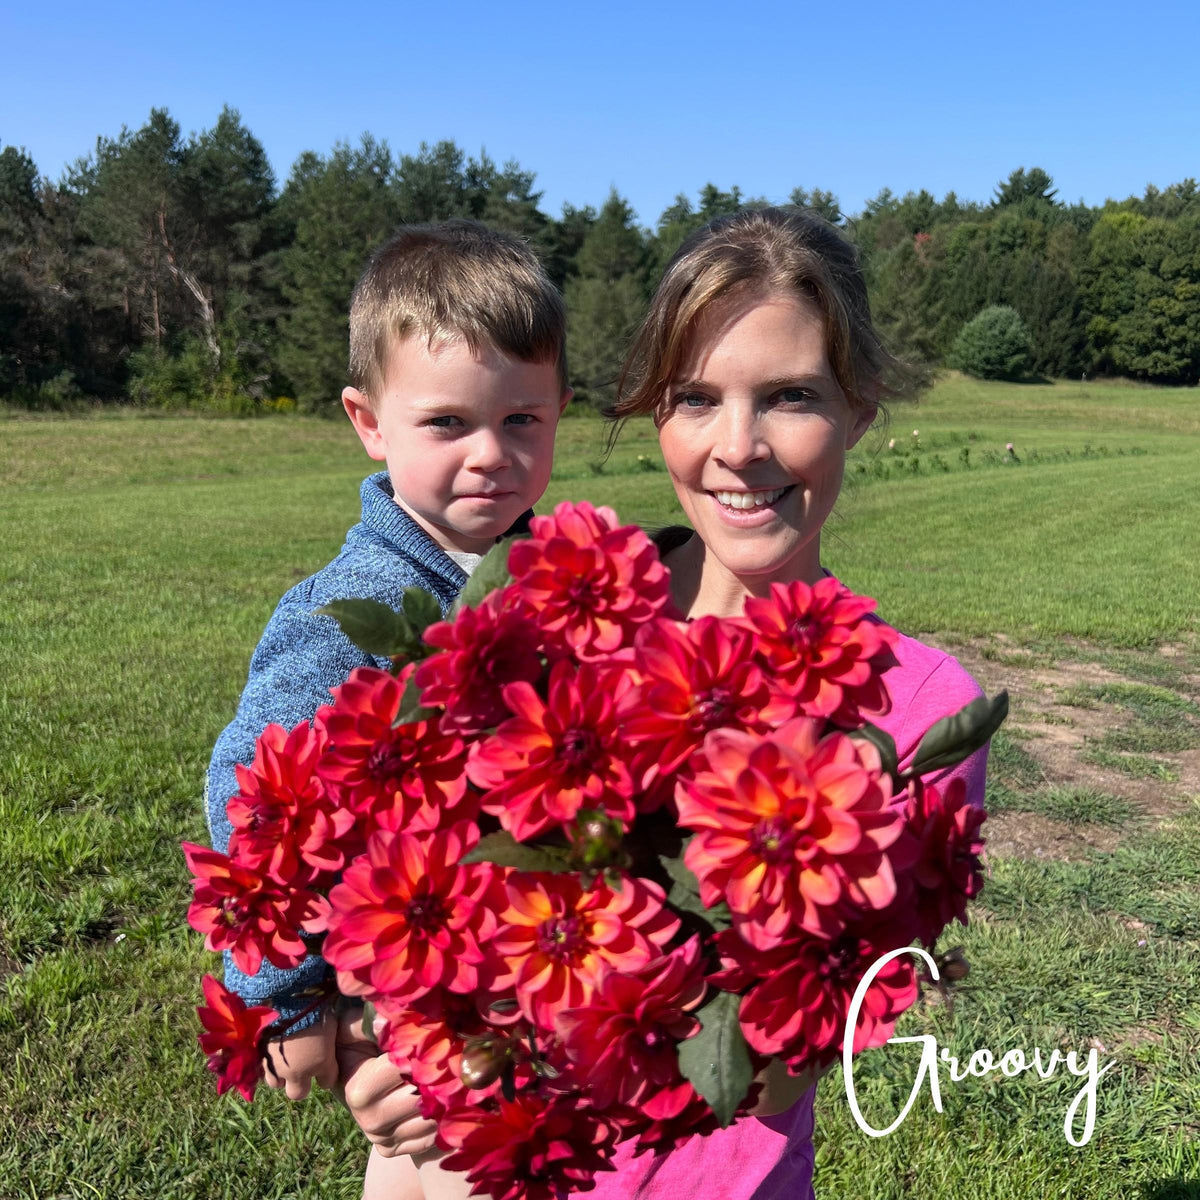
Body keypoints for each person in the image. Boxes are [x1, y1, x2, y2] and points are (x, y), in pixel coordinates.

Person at [585, 206, 990, 1198]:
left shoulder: (920, 708)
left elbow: (809, 1038)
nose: (738, 446)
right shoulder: (565, 611)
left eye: (789, 397)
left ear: (858, 408)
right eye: (694, 398)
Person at [203, 219, 571, 1199]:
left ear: (559, 411)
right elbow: (251, 800)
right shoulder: (350, 612)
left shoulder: (536, 573)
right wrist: (281, 998)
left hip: (486, 970)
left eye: (522, 421)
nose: (490, 455)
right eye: (447, 423)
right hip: (401, 973)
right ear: (369, 422)